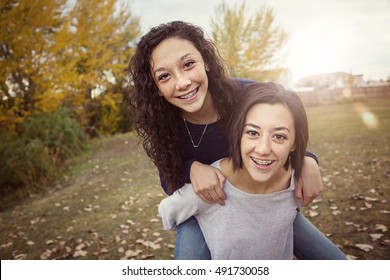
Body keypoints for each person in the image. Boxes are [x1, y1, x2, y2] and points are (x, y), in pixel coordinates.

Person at [128, 21, 346, 260]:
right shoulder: (162, 122)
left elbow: (287, 121)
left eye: (188, 64)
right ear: (157, 88)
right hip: (205, 206)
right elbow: (168, 178)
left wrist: (307, 158)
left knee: (333, 261)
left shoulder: (246, 96)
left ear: (206, 61)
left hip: (260, 199)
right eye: (165, 76)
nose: (182, 82)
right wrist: (192, 169)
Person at [159, 82, 309, 259]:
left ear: (294, 143)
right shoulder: (212, 188)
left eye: (279, 136)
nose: (263, 149)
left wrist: (309, 161)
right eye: (253, 133)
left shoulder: (296, 184)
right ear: (238, 134)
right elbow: (168, 211)